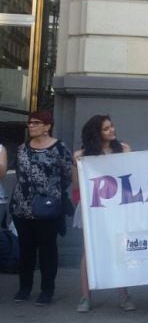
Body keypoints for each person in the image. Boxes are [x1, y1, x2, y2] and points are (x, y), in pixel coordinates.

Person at [72, 115, 135, 312]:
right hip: (93, 207)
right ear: (96, 133)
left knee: (119, 248)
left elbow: (131, 175)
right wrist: (77, 164)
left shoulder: (123, 149)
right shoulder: (81, 154)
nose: (112, 130)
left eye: (111, 126)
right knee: (89, 251)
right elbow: (76, 184)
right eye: (106, 128)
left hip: (117, 206)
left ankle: (124, 295)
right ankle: (85, 297)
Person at [9, 110, 72, 306]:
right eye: (30, 123)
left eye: (36, 123)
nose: (31, 126)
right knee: (26, 249)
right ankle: (24, 287)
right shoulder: (21, 149)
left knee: (47, 250)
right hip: (22, 207)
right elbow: (20, 173)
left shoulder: (59, 148)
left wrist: (51, 193)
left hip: (48, 208)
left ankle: (47, 290)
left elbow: (67, 174)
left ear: (47, 126)